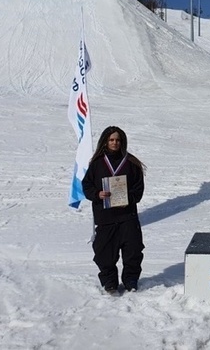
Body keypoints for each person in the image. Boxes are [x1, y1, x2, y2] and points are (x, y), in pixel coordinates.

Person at [82, 126, 146, 294]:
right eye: (111, 140)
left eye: (117, 140)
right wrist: (98, 194)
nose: (115, 143)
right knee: (105, 253)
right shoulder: (96, 163)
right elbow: (86, 186)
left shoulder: (131, 162)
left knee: (133, 250)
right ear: (105, 141)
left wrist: (129, 199)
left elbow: (138, 189)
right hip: (105, 216)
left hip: (127, 215)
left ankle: (131, 279)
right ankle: (109, 282)